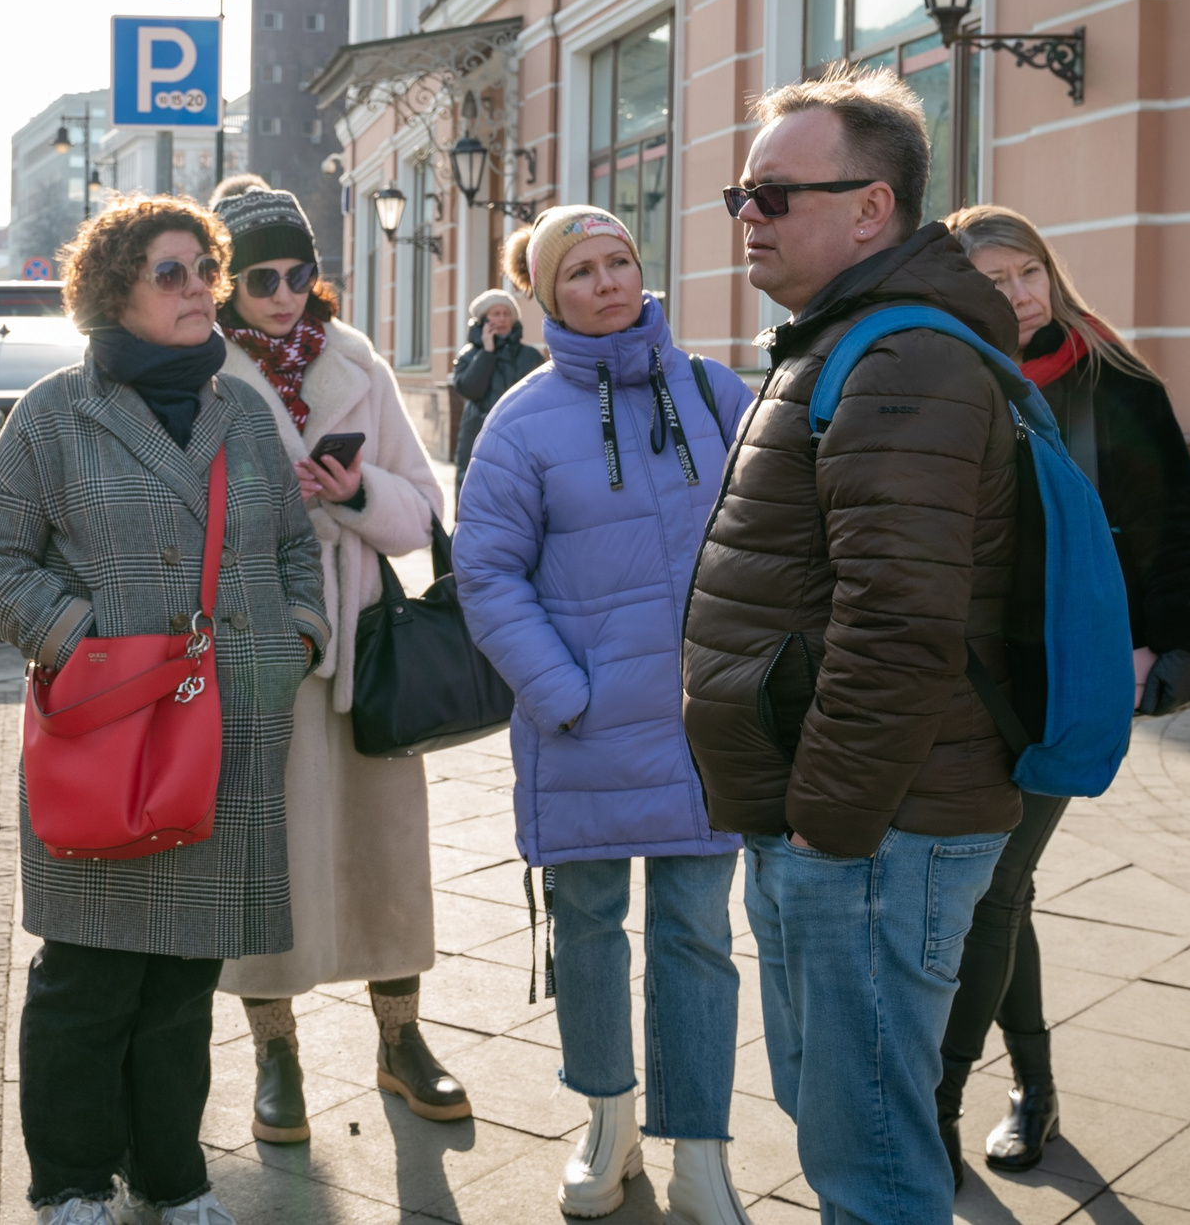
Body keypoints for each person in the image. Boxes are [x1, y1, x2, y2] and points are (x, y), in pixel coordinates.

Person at [682, 65, 1020, 1225]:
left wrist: (825, 827)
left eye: (773, 194)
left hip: (873, 830)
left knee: (872, 1167)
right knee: (846, 1133)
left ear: (871, 207)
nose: (745, 216)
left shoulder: (900, 361)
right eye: (741, 192)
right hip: (845, 819)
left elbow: (899, 626)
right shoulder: (843, 343)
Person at [0, 195, 329, 1225]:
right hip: (109, 734)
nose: (201, 287)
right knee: (88, 978)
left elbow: (295, 548)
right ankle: (70, 1181)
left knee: (179, 982)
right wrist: (83, 643)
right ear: (113, 286)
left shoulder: (242, 410)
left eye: (206, 268)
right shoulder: (52, 412)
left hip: (227, 733)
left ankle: (172, 1175)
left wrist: (294, 635)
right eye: (173, 271)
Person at [455, 206, 757, 1222]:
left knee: (698, 933)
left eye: (618, 259)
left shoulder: (716, 392)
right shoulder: (522, 419)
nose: (606, 281)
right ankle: (608, 1119)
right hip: (582, 727)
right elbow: (487, 570)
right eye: (577, 270)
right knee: (586, 928)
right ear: (542, 295)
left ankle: (700, 1145)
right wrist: (561, 691)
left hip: (702, 723)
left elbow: (780, 536)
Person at [933, 204, 1190, 1183]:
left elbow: (1174, 523)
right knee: (999, 892)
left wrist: (1161, 643)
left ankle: (936, 1103)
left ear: (1051, 275)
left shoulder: (1115, 382)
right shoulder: (941, 379)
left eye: (1029, 273)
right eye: (992, 280)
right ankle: (1037, 1087)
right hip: (966, 677)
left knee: (991, 887)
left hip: (1069, 673)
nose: (1016, 296)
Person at [203, 178, 467, 1142]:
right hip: (257, 650)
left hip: (361, 647)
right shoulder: (199, 366)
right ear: (227, 283)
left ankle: (402, 1041)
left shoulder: (357, 360)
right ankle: (277, 1053)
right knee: (265, 857)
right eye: (261, 276)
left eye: (299, 272)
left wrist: (355, 494)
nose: (283, 292)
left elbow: (424, 508)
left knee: (384, 850)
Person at [450, 286, 542, 497]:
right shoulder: (469, 355)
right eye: (495, 314)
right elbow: (469, 389)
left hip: (521, 438)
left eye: (506, 313)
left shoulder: (530, 356)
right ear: (484, 320)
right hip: (476, 434)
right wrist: (487, 352)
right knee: (474, 493)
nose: (501, 319)